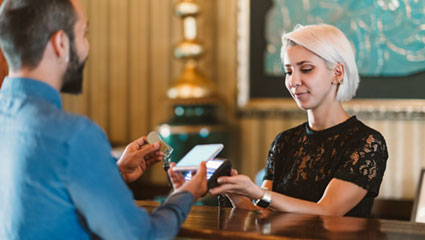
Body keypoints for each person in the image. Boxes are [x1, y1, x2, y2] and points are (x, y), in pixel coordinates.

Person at [0, 0, 207, 239]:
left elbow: (41, 201)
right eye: (83, 34)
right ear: (61, 43)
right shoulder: (74, 136)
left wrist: (112, 173)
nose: (87, 46)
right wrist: (186, 194)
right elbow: (142, 236)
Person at [210, 24, 388, 218]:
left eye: (306, 69)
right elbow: (263, 216)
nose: (293, 81)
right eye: (288, 71)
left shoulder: (366, 142)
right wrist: (235, 192)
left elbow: (328, 212)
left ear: (337, 73)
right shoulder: (284, 141)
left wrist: (259, 193)